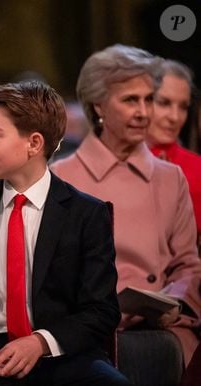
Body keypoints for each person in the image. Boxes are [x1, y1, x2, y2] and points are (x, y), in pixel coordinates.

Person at [0, 80, 130, 385]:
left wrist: (39, 342)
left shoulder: (85, 214)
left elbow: (101, 311)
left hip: (57, 350)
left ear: (34, 144)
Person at [51, 45, 201, 367]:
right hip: (87, 332)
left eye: (149, 99)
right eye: (131, 100)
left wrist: (173, 302)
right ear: (98, 105)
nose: (144, 112)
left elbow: (188, 263)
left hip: (159, 329)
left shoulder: (170, 177)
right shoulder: (60, 177)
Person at [146, 59, 201, 249]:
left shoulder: (197, 170)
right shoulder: (109, 164)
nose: (175, 117)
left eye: (183, 107)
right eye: (164, 103)